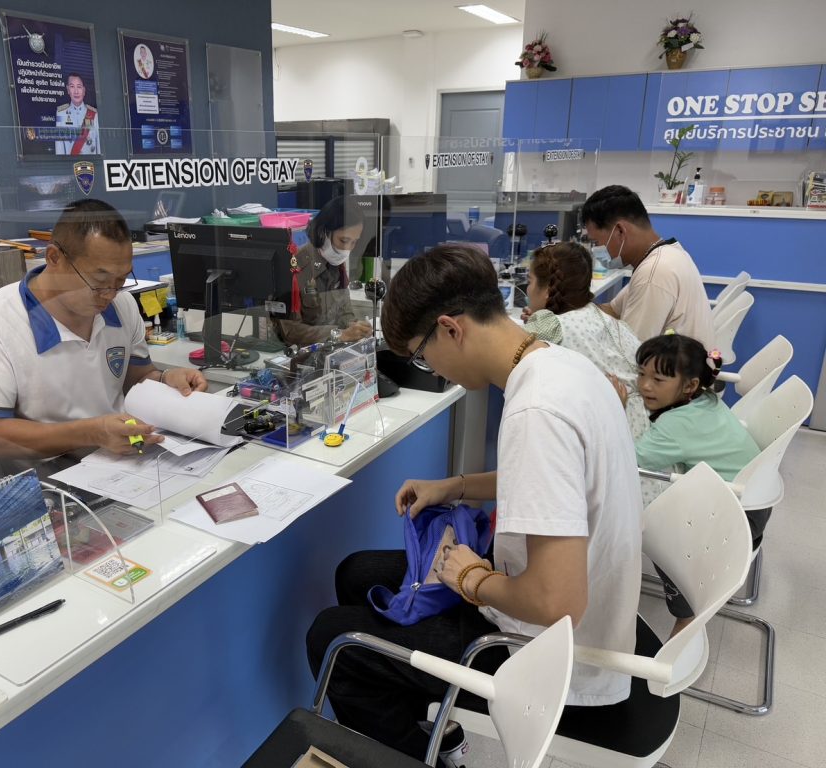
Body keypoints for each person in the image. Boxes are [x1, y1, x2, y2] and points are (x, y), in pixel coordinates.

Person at [306, 244, 643, 764]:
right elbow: (551, 483)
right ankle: (434, 729)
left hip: (550, 657)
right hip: (586, 608)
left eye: (422, 355)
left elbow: (557, 602)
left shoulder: (536, 411)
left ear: (450, 329)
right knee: (358, 573)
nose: (431, 370)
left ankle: (413, 754)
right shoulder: (561, 366)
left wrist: (471, 579)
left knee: (334, 638)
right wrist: (455, 487)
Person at [0, 199, 207, 461]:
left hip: (124, 461)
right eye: (99, 281)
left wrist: (165, 379)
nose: (110, 294)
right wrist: (90, 433)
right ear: (54, 257)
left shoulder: (122, 305)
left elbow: (136, 378)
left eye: (121, 280)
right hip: (49, 470)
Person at [611, 332, 760, 635]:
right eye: (641, 374)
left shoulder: (676, 425)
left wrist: (616, 408)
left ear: (690, 386)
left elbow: (630, 458)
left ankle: (687, 612)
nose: (645, 385)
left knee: (658, 536)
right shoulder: (704, 400)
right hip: (754, 499)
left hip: (736, 520)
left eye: (658, 379)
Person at [522, 241, 648, 440]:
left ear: (547, 290)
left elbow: (509, 351)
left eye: (529, 281)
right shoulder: (608, 321)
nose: (527, 290)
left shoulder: (550, 326)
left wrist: (539, 321)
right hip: (642, 428)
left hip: (613, 431)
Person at [582, 185, 714, 349]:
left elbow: (629, 352)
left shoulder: (654, 272)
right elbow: (613, 310)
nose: (596, 250)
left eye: (596, 242)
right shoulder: (666, 254)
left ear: (620, 231)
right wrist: (572, 309)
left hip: (676, 364)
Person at [273, 196, 372, 346]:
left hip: (330, 351)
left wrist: (356, 327)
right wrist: (339, 334)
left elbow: (345, 313)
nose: (348, 249)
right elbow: (291, 331)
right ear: (323, 232)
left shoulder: (337, 265)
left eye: (354, 242)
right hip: (299, 353)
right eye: (344, 241)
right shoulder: (297, 266)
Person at [55, 73, 100, 156]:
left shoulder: (94, 114)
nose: (76, 91)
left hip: (90, 162)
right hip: (70, 163)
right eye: (72, 86)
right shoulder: (61, 113)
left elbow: (98, 146)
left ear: (84, 90)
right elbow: (59, 146)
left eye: (79, 87)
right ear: (68, 90)